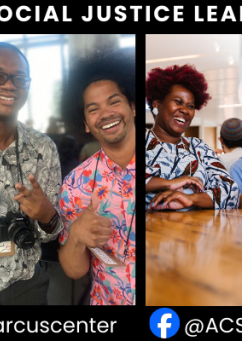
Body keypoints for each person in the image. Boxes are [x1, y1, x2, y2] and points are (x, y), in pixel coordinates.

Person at [0, 42, 55, 305]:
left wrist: (46, 216)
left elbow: (51, 233)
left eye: (20, 78)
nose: (9, 85)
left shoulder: (43, 148)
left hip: (26, 285)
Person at [56, 50, 136, 305]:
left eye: (114, 102)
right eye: (93, 109)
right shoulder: (75, 185)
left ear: (132, 106)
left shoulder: (168, 161)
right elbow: (73, 270)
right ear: (86, 124)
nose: (106, 113)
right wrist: (77, 236)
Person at [144, 64, 238, 211]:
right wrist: (169, 183)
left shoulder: (198, 147)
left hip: (196, 230)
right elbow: (123, 180)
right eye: (178, 102)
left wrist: (191, 199)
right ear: (157, 103)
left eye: (191, 106)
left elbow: (231, 191)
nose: (185, 110)